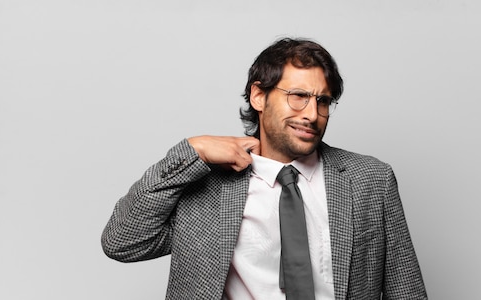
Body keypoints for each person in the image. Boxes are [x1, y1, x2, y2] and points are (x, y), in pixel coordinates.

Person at [101, 37, 428, 300]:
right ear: (259, 96)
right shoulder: (207, 186)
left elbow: (406, 290)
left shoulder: (371, 179)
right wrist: (191, 151)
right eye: (298, 96)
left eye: (324, 101)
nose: (312, 114)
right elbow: (123, 242)